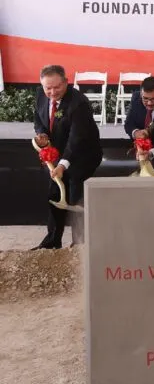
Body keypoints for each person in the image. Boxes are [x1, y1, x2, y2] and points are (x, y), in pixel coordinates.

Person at [32, 64, 103, 249]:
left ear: (66, 82)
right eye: (48, 88)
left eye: (57, 87)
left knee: (76, 197)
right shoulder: (40, 94)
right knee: (54, 194)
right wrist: (42, 133)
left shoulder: (79, 103)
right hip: (59, 152)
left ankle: (80, 243)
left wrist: (63, 165)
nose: (52, 92)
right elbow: (38, 118)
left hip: (83, 154)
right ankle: (52, 241)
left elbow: (76, 138)